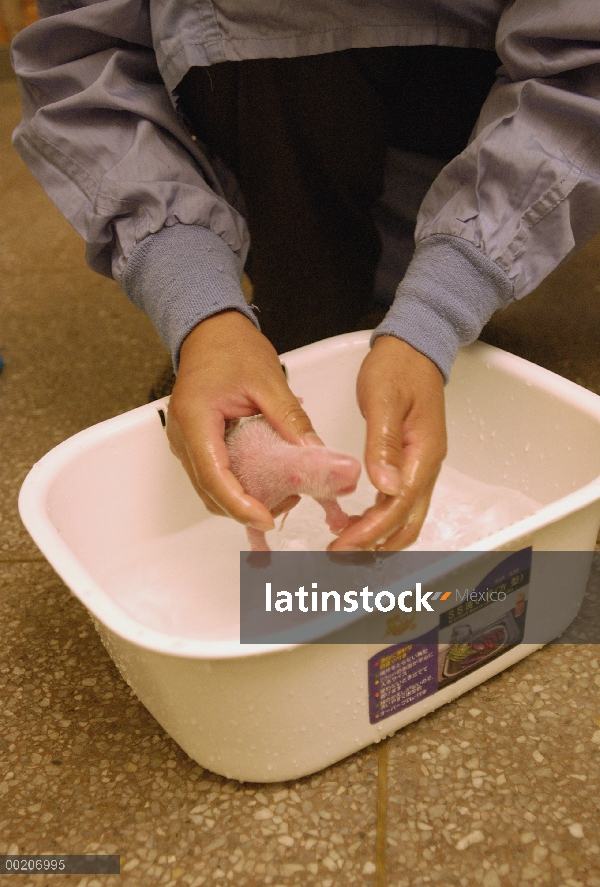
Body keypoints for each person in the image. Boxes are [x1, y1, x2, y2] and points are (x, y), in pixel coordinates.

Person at [11, 1, 600, 550]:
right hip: (253, 77)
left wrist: (438, 308)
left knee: (390, 305)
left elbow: (581, 69)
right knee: (314, 306)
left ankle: (385, 295)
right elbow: (83, 63)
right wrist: (199, 310)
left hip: (464, 71)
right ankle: (292, 316)